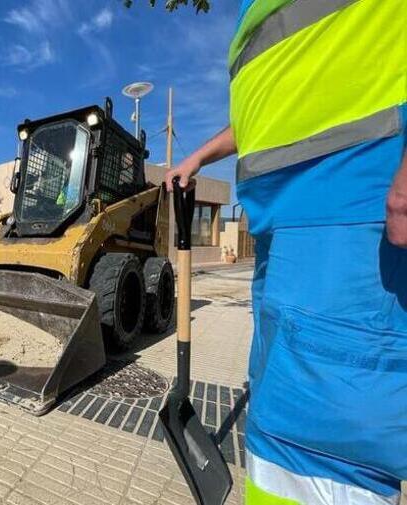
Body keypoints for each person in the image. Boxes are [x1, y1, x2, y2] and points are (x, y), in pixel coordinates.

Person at [165, 1, 407, 503]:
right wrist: (199, 156)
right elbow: (265, 116)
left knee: (333, 436)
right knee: (277, 407)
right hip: (280, 226)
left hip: (350, 205)